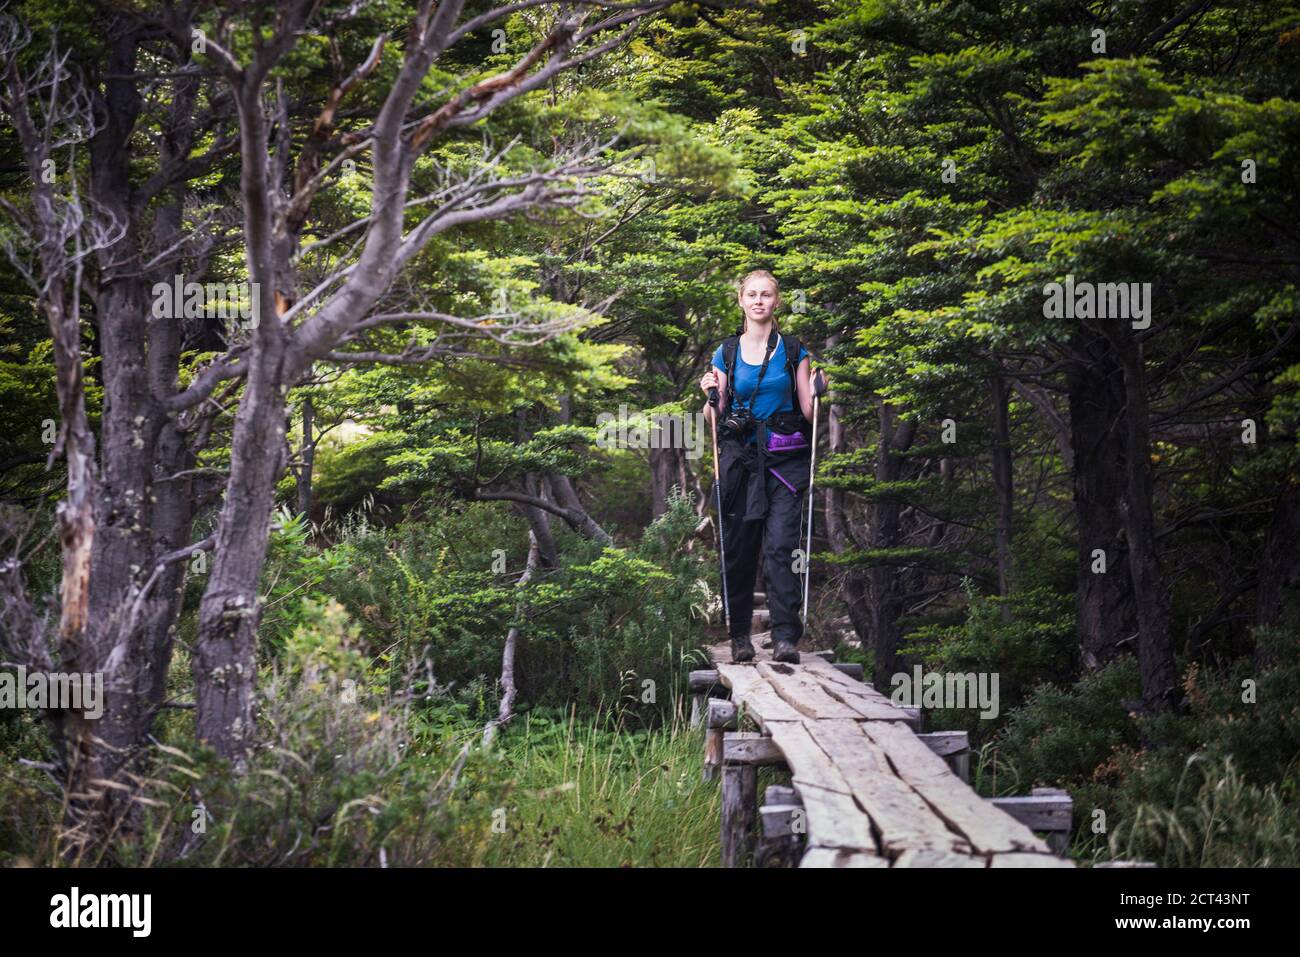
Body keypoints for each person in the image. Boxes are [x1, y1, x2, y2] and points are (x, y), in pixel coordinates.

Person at [699, 270, 827, 664]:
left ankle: (786, 636)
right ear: (741, 301)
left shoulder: (793, 352)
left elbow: (808, 409)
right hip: (739, 464)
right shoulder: (727, 354)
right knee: (738, 549)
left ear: (776, 302)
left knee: (781, 546)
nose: (758, 301)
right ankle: (740, 637)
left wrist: (822, 390)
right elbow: (714, 416)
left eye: (766, 295)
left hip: (784, 462)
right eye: (751, 294)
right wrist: (709, 395)